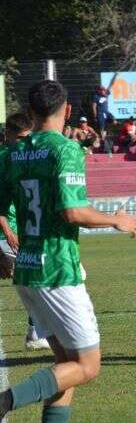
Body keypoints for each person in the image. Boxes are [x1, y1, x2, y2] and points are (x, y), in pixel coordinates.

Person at [0, 79, 136, 422]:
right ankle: (4, 402)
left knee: (67, 366)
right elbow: (73, 212)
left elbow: (1, 209)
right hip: (58, 270)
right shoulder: (65, 150)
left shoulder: (12, 153)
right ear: (69, 111)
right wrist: (116, 219)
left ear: (31, 113)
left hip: (27, 269)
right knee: (88, 366)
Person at [0, 113, 50, 351]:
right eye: (20, 138)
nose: (25, 143)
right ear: (8, 136)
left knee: (34, 280)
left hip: (25, 235)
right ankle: (36, 332)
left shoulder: (28, 158)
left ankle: (35, 332)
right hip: (7, 236)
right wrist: (8, 232)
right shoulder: (4, 160)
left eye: (28, 138)